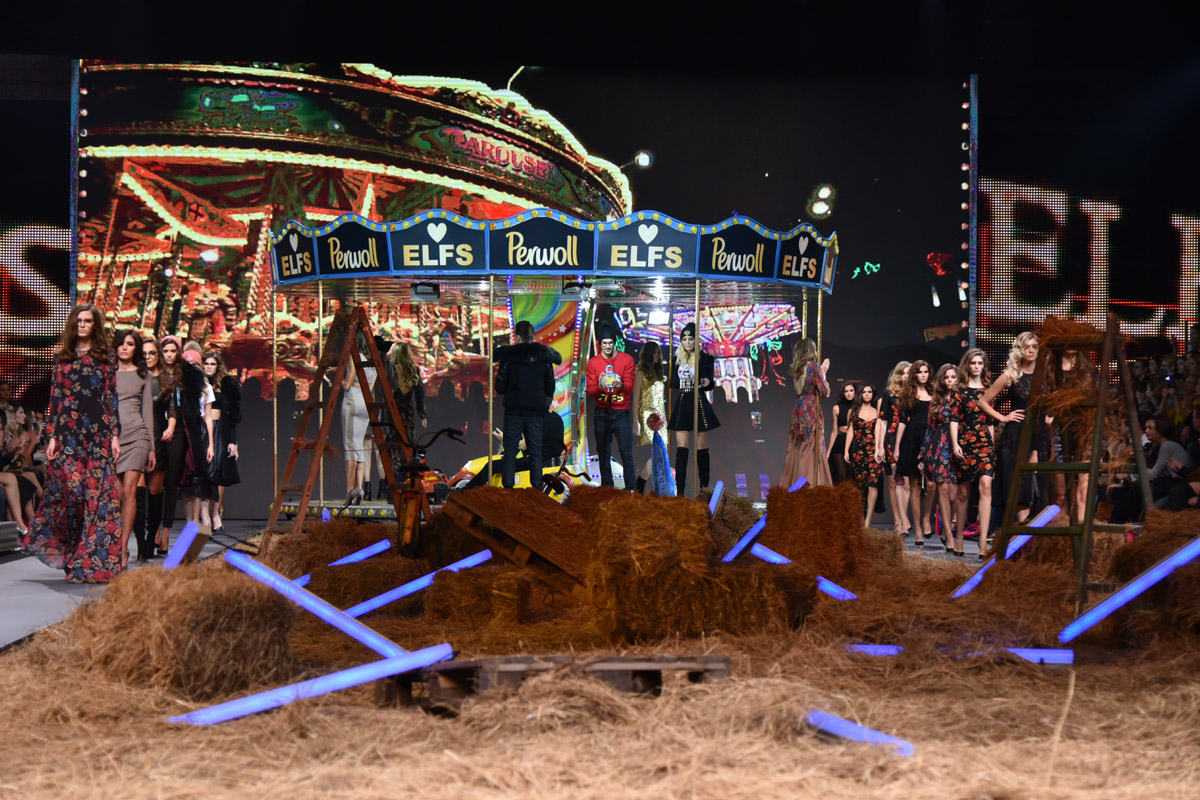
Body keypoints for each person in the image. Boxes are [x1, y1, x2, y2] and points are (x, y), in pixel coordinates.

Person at [21, 304, 123, 583]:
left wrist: (115, 435)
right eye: (79, 321)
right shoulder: (63, 356)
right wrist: (52, 436)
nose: (83, 325)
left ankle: (86, 559)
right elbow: (56, 397)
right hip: (69, 434)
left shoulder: (105, 356)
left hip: (98, 433)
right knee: (71, 494)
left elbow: (111, 397)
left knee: (96, 496)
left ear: (95, 324)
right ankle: (69, 550)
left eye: (88, 321)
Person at [950, 348, 1021, 558]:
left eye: (980, 363)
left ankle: (983, 542)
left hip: (984, 444)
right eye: (973, 363)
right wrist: (955, 443)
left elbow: (989, 420)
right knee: (963, 493)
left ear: (984, 366)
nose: (976, 366)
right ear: (967, 365)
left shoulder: (988, 389)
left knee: (986, 487)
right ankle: (959, 539)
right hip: (964, 442)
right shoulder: (958, 389)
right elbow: (954, 419)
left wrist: (992, 446)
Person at [983, 332, 1047, 524]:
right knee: (1019, 490)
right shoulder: (1011, 375)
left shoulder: (1045, 375)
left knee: (1039, 488)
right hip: (1015, 436)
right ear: (1020, 349)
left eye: (1035, 347)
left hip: (1039, 434)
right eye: (1027, 347)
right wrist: (1004, 417)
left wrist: (1051, 415)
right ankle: (1022, 535)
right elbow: (983, 402)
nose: (1031, 350)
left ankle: (1031, 535)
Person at [494, 320, 561, 489]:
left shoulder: (508, 358)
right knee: (535, 453)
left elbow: (500, 387)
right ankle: (536, 490)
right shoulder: (544, 358)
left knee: (510, 453)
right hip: (535, 414)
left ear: (517, 337)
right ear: (532, 336)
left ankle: (508, 490)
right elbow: (550, 388)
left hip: (513, 412)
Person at [113, 329, 155, 569]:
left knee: (129, 492)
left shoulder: (143, 374)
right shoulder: (107, 373)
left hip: (137, 436)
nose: (125, 347)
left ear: (135, 348)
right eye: (121, 343)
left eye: (129, 344)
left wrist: (151, 448)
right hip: (112, 439)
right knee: (116, 495)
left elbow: (147, 411)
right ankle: (116, 544)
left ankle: (122, 549)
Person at [668, 321, 720, 496]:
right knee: (681, 449)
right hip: (683, 402)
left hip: (698, 402)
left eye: (691, 339)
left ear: (696, 340)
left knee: (702, 449)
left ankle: (704, 489)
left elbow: (710, 383)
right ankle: (680, 491)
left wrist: (705, 382)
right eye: (684, 339)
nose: (688, 342)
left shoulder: (705, 358)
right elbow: (673, 383)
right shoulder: (677, 359)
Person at [139, 337, 177, 562]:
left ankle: (150, 537)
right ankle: (140, 542)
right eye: (144, 353)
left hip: (158, 440)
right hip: (135, 440)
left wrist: (171, 427)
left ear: (158, 355)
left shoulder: (166, 380)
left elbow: (172, 409)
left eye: (152, 353)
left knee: (155, 493)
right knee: (136, 494)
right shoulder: (134, 377)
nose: (148, 357)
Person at [586, 322, 636, 489]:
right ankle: (607, 487)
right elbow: (590, 390)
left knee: (626, 452)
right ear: (599, 344)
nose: (607, 346)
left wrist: (620, 384)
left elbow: (630, 387)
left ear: (614, 343)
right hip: (601, 413)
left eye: (610, 343)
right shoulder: (593, 363)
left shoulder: (627, 360)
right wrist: (600, 387)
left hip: (621, 413)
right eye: (604, 343)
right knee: (603, 452)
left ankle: (631, 488)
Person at [780, 337, 832, 488]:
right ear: (810, 350)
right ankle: (804, 485)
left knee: (799, 446)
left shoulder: (796, 368)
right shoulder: (812, 367)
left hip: (799, 408)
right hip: (810, 409)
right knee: (810, 447)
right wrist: (823, 373)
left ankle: (799, 483)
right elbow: (824, 392)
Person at [153, 336, 187, 555]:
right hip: (158, 430)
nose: (169, 355)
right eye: (165, 351)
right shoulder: (156, 375)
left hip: (179, 431)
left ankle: (165, 532)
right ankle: (155, 528)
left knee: (172, 482)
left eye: (173, 351)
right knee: (156, 483)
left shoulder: (185, 376)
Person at [895, 360, 934, 544]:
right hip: (912, 439)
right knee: (915, 485)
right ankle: (917, 530)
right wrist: (897, 446)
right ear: (915, 375)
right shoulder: (908, 393)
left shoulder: (934, 393)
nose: (923, 375)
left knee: (932, 484)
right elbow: (902, 421)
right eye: (920, 372)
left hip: (931, 438)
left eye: (926, 372)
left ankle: (927, 519)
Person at [921, 364, 959, 550]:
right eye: (946, 377)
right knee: (942, 488)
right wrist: (923, 453)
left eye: (953, 377)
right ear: (942, 380)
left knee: (954, 494)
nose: (950, 380)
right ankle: (949, 536)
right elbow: (929, 428)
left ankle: (947, 528)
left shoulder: (962, 399)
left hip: (957, 445)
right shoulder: (936, 400)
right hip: (938, 445)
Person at [203, 351, 240, 533]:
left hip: (221, 431)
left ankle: (216, 512)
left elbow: (232, 415)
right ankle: (207, 516)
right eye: (206, 363)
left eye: (212, 364)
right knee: (205, 473)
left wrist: (233, 441)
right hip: (202, 430)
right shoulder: (198, 383)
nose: (209, 367)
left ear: (218, 366)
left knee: (219, 472)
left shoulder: (226, 384)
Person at [340, 333, 376, 506]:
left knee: (349, 445)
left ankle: (349, 489)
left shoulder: (355, 357)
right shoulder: (372, 362)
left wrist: (337, 376)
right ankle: (360, 488)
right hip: (365, 404)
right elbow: (371, 387)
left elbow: (347, 384)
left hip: (352, 400)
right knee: (359, 445)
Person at [631, 340, 668, 495]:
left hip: (660, 417)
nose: (657, 356)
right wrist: (635, 421)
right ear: (648, 354)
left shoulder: (659, 374)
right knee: (655, 453)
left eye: (658, 352)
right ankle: (640, 484)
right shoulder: (641, 372)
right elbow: (636, 398)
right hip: (647, 416)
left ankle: (643, 485)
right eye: (654, 353)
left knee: (661, 453)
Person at [844, 383, 883, 526]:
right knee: (860, 486)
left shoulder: (877, 411)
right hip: (858, 450)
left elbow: (879, 430)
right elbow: (850, 431)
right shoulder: (853, 411)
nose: (867, 394)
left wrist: (878, 449)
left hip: (873, 451)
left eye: (870, 392)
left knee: (873, 483)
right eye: (864, 392)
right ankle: (861, 518)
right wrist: (846, 449)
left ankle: (868, 521)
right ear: (860, 394)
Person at [880, 361, 909, 533]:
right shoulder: (889, 393)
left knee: (907, 482)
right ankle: (898, 520)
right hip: (891, 437)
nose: (907, 376)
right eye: (904, 373)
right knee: (893, 481)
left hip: (909, 437)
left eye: (909, 373)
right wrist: (880, 446)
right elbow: (883, 420)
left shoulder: (915, 393)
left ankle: (905, 520)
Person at [826, 382, 856, 484]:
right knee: (841, 474)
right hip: (840, 442)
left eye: (851, 390)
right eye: (846, 391)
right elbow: (834, 431)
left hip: (855, 442)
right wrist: (828, 451)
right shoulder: (837, 408)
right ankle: (839, 494)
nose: (849, 393)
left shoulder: (860, 407)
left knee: (852, 475)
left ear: (855, 392)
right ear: (842, 393)